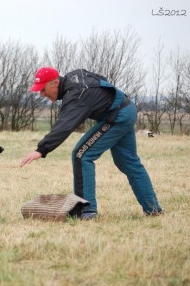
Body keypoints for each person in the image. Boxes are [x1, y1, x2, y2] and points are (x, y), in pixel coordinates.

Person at [20, 67, 163, 220]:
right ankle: (153, 209)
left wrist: (41, 149)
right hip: (127, 108)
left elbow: (65, 125)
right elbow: (101, 79)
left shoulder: (76, 95)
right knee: (129, 162)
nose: (42, 94)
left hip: (117, 115)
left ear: (55, 82)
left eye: (43, 89)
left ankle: (87, 211)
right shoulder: (74, 76)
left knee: (82, 155)